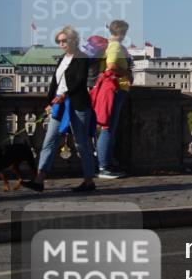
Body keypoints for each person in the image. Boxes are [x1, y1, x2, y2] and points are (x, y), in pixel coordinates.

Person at [22, 27, 98, 193]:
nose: (62, 44)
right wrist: (50, 101)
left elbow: (79, 82)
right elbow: (55, 83)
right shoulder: (63, 58)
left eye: (64, 41)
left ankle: (89, 181)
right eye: (59, 41)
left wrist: (65, 95)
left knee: (81, 144)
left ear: (73, 40)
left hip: (77, 104)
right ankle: (39, 180)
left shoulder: (82, 58)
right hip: (60, 104)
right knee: (49, 141)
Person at [96, 20, 133, 179]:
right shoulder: (115, 46)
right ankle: (103, 166)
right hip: (115, 90)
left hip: (116, 90)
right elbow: (111, 65)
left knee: (109, 127)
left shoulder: (112, 45)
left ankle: (107, 162)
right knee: (108, 128)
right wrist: (128, 74)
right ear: (123, 32)